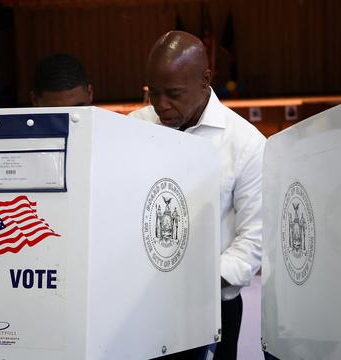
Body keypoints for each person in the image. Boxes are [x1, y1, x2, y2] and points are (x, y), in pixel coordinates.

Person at [129, 31, 265, 360]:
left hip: (212, 307)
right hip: (140, 305)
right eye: (153, 93)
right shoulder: (133, 128)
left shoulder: (246, 144)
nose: (161, 105)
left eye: (173, 94)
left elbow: (254, 241)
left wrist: (192, 286)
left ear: (205, 80)